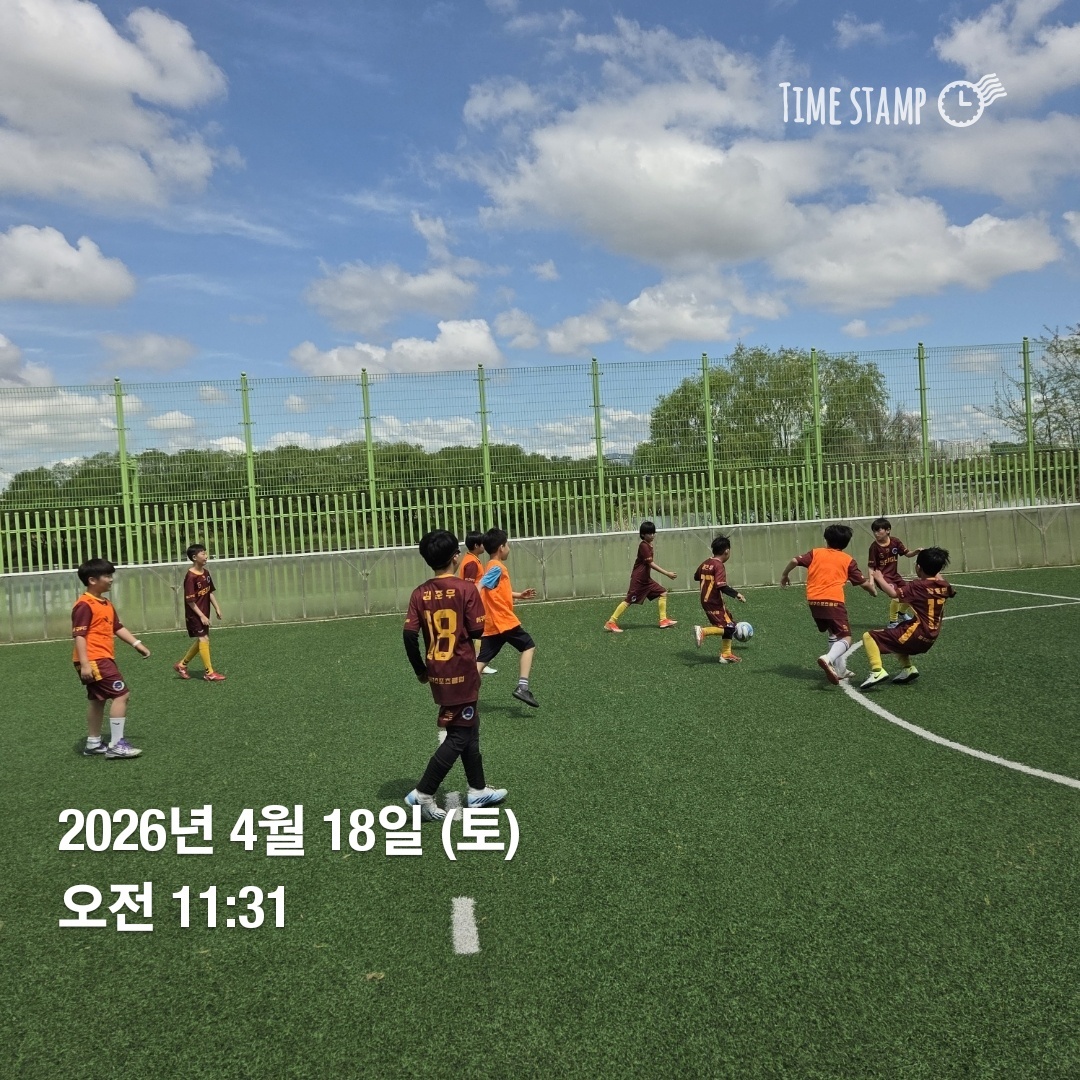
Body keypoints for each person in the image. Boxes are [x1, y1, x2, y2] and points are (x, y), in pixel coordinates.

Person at [403, 530, 507, 821]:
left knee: (469, 727)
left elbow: (409, 635)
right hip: (461, 670)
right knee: (460, 735)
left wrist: (420, 670)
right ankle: (423, 793)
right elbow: (477, 630)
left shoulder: (419, 593)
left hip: (437, 672)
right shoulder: (465, 589)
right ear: (455, 557)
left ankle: (477, 789)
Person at [72, 558, 150, 759]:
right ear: (92, 580)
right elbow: (79, 635)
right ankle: (116, 745)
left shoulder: (106, 603)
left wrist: (137, 644)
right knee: (121, 695)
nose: (111, 579)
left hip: (100, 658)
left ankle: (93, 743)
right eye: (107, 576)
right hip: (94, 659)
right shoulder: (84, 605)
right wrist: (85, 664)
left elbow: (117, 627)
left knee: (97, 700)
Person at [780, 524, 877, 685]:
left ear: (826, 539)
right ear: (846, 543)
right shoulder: (847, 560)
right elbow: (863, 583)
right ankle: (828, 658)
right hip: (833, 601)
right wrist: (872, 591)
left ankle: (840, 670)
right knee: (846, 638)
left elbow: (794, 560)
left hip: (813, 601)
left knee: (833, 633)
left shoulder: (815, 553)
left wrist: (785, 575)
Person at [859, 547, 955, 689]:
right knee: (900, 628)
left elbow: (893, 594)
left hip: (917, 634)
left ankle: (877, 670)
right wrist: (935, 566)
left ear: (918, 567)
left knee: (869, 636)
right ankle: (908, 669)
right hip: (931, 637)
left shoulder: (918, 586)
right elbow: (949, 590)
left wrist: (879, 578)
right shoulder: (945, 586)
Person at [476, 527, 539, 708]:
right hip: (503, 620)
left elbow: (496, 590)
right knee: (528, 646)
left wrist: (519, 595)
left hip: (492, 624)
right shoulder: (497, 567)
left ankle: (464, 698)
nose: (508, 548)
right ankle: (522, 687)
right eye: (507, 545)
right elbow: (481, 585)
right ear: (501, 548)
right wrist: (471, 603)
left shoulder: (491, 565)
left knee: (480, 663)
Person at [604, 521, 678, 632]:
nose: (652, 535)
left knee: (663, 592)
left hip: (646, 579)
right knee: (629, 600)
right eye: (649, 533)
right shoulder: (643, 545)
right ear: (643, 534)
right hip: (638, 580)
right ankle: (611, 622)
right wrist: (667, 573)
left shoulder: (649, 545)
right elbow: (651, 564)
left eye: (653, 533)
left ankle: (663, 620)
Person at [174, 543, 225, 681]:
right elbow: (190, 601)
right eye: (203, 554)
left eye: (206, 553)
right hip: (194, 614)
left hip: (204, 613)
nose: (206, 556)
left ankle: (181, 665)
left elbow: (209, 592)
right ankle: (209, 673)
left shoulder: (206, 573)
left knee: (203, 640)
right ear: (194, 557)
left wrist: (217, 607)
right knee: (204, 639)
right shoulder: (190, 577)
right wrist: (201, 616)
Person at [692, 535, 747, 663]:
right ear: (727, 551)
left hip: (706, 600)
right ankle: (703, 631)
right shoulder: (719, 565)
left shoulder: (706, 563)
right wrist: (737, 594)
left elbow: (696, 576)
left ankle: (726, 654)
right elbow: (721, 585)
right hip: (714, 601)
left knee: (730, 623)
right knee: (729, 627)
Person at [868, 517, 920, 628]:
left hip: (895, 576)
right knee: (896, 596)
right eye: (874, 531)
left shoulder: (895, 542)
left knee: (910, 593)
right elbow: (871, 566)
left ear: (888, 530)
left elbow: (907, 554)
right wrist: (871, 582)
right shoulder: (874, 547)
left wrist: (915, 552)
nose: (876, 534)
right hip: (882, 578)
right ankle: (893, 622)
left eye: (878, 531)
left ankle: (902, 613)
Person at [459, 531, 496, 675]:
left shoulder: (471, 559)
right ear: (476, 545)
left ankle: (476, 662)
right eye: (482, 544)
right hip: (474, 602)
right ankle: (479, 662)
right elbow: (469, 586)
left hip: (474, 601)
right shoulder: (472, 563)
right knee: (481, 632)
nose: (484, 546)